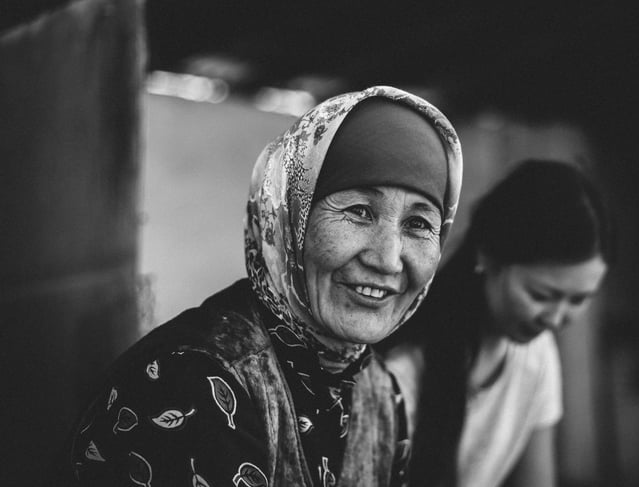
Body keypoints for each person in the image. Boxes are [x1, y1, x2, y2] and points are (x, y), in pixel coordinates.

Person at [65, 86, 463, 486]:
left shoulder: (378, 390)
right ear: (289, 219)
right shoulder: (190, 381)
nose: (388, 259)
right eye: (359, 211)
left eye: (418, 224)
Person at [380, 159, 612, 487]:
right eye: (542, 294)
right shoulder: (402, 368)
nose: (557, 320)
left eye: (578, 300)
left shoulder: (536, 353)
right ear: (487, 255)